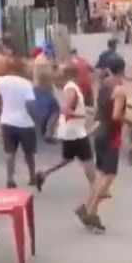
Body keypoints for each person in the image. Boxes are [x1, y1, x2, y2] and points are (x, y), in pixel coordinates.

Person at [81, 60, 129, 232]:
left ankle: (86, 208)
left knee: (101, 174)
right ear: (123, 70)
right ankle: (92, 213)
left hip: (99, 130)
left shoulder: (104, 85)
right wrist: (127, 119)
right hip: (111, 134)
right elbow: (116, 115)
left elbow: (102, 108)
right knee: (109, 176)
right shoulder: (120, 89)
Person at [32, 64, 96, 192]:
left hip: (70, 130)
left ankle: (43, 173)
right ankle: (95, 188)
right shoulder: (71, 88)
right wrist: (84, 114)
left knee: (67, 159)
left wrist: (86, 112)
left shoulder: (70, 88)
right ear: (73, 75)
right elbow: (66, 110)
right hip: (74, 131)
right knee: (87, 158)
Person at [0, 58, 39, 188]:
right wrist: (36, 117)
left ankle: (10, 178)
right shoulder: (26, 84)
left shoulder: (1, 81)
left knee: (9, 152)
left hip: (7, 121)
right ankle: (32, 176)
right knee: (29, 153)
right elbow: (30, 103)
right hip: (25, 123)